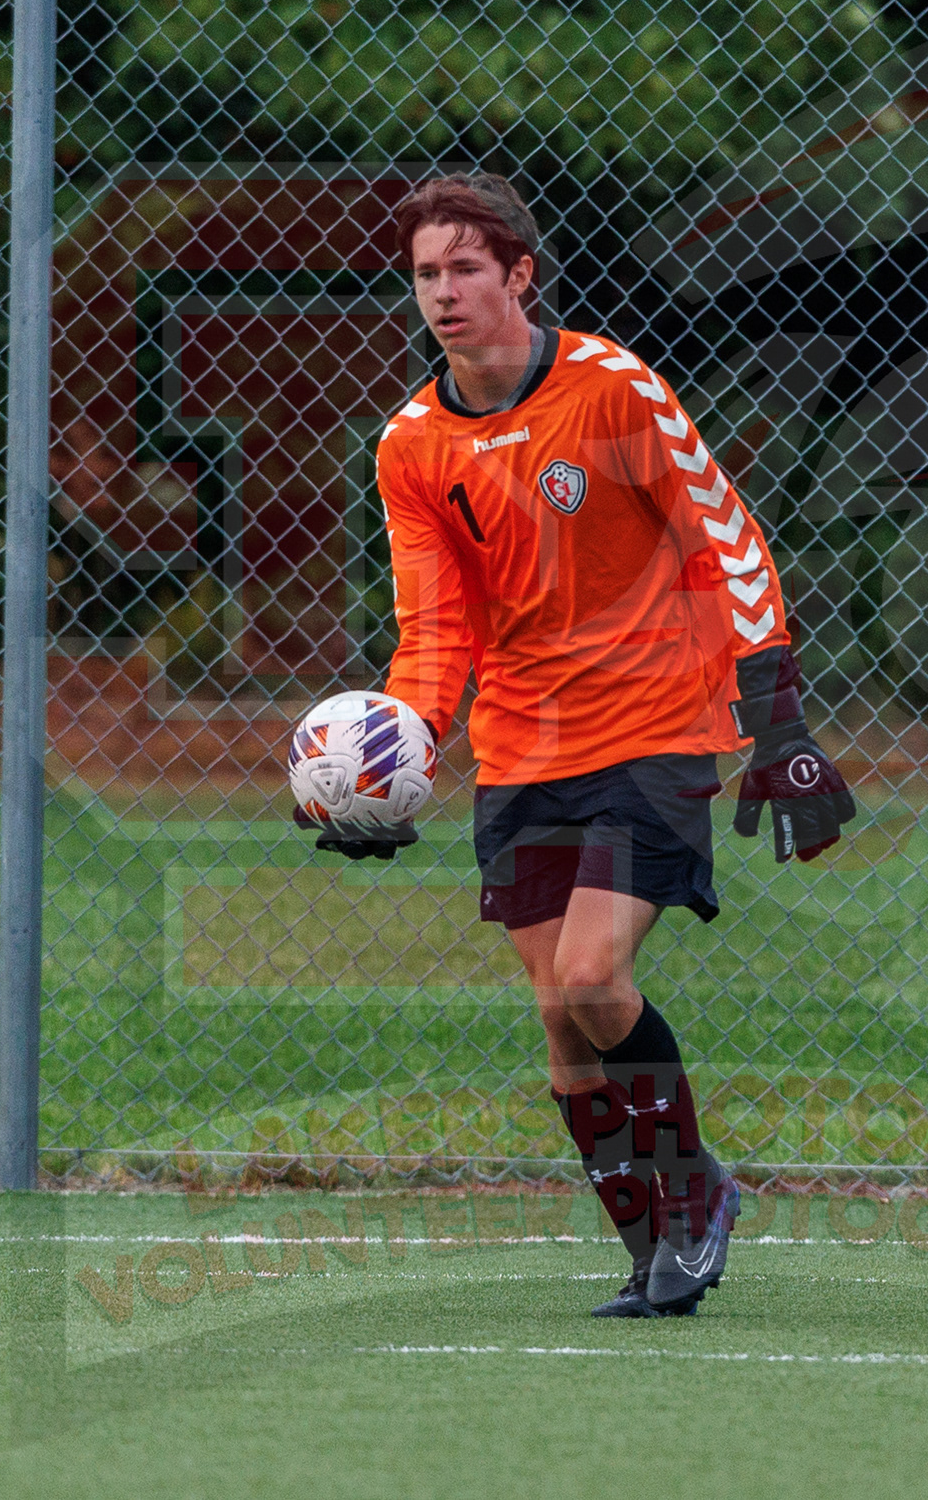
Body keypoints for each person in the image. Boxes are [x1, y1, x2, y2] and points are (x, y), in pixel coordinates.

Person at [298, 173, 854, 1317]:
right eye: (425, 273)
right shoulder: (411, 446)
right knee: (562, 1022)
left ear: (519, 275)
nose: (443, 292)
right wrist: (393, 761)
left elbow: (724, 540)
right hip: (520, 752)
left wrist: (777, 720)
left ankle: (695, 1193)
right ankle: (650, 1250)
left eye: (465, 268)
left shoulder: (611, 389)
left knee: (596, 978)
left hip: (652, 729)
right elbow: (436, 628)